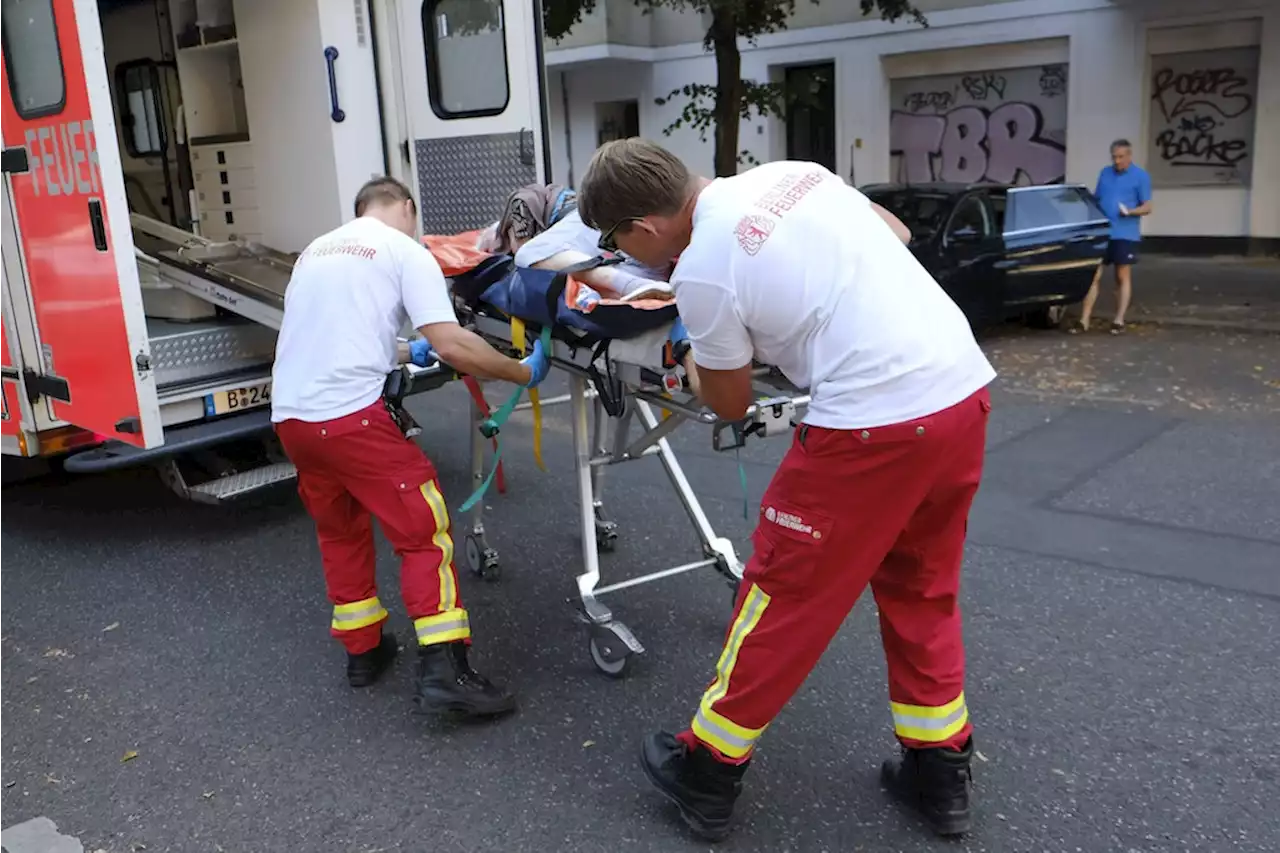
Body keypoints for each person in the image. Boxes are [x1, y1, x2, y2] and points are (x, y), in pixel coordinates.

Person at [577, 139, 996, 841]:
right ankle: (939, 771)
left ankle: (706, 769)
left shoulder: (705, 270)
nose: (622, 252)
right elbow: (892, 232)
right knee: (921, 583)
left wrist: (697, 354)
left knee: (781, 594)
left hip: (871, 424)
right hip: (958, 390)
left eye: (616, 240)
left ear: (643, 229)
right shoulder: (794, 174)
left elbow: (733, 402)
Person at [271, 176, 551, 719]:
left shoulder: (315, 251)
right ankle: (447, 670)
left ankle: (364, 652)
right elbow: (453, 344)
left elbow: (338, 336)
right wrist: (522, 371)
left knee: (341, 530)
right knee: (423, 531)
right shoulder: (403, 249)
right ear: (407, 208)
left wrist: (402, 350)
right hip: (349, 417)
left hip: (293, 420)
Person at [1073, 139, 1153, 334]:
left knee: (1121, 275)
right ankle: (1084, 320)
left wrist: (1131, 212)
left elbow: (1148, 207)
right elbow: (1097, 198)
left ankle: (1119, 320)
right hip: (1103, 232)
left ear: (1129, 156)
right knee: (1094, 274)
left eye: (1121, 157)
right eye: (1114, 157)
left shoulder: (1140, 176)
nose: (1117, 161)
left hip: (1125, 234)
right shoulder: (1105, 173)